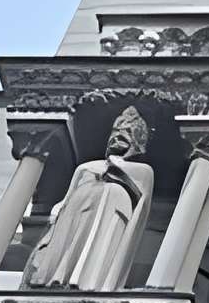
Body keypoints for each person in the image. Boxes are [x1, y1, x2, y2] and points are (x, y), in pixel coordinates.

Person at [25, 109, 155, 290]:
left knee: (100, 244)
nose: (117, 138)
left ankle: (92, 284)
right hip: (77, 210)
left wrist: (114, 169)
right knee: (69, 243)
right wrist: (56, 212)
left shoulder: (143, 170)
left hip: (111, 210)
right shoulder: (86, 167)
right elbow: (68, 196)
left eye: (125, 134)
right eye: (115, 133)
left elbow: (142, 203)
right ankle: (57, 277)